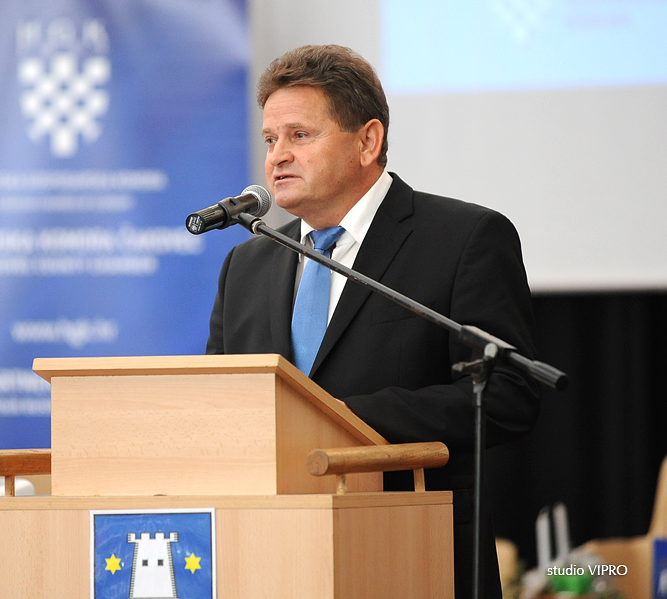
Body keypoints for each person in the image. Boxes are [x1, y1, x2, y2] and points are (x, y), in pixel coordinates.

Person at [206, 44, 540, 598]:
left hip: (411, 553)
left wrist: (338, 420)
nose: (278, 156)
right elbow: (220, 405)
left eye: (299, 135)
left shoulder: (461, 239)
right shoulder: (248, 262)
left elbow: (507, 395)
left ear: (368, 141)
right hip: (268, 556)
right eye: (270, 140)